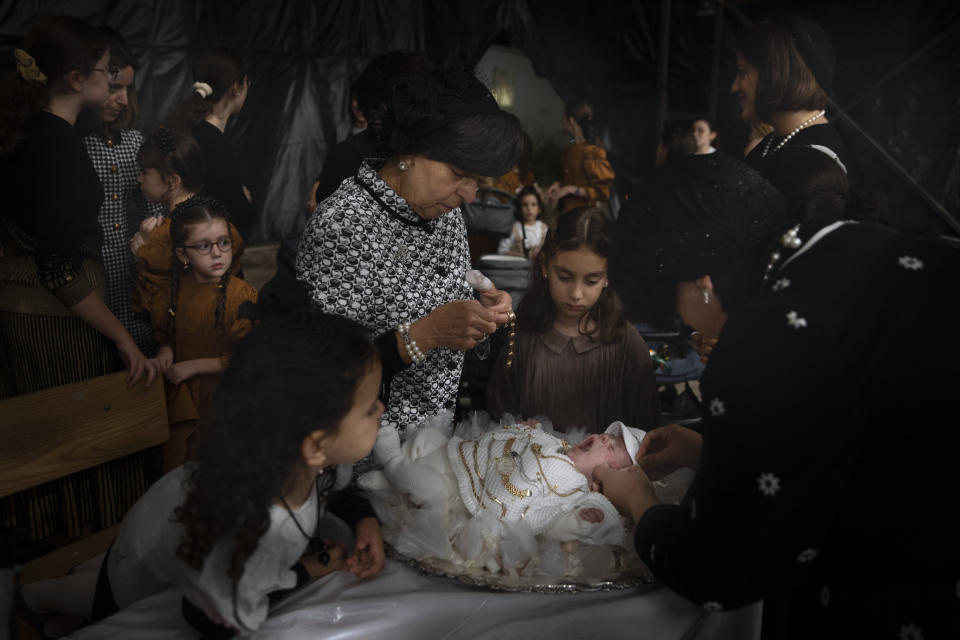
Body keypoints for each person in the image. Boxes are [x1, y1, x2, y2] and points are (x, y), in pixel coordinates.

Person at [601, 152, 960, 638]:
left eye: (675, 308)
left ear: (702, 281)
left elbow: (720, 568)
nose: (685, 325)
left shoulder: (764, 334)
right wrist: (713, 451)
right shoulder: (844, 239)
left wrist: (640, 502)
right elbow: (855, 417)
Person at [22, 312, 387, 636]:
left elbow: (331, 491)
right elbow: (204, 617)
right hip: (145, 556)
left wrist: (363, 520)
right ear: (316, 445)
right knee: (109, 602)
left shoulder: (293, 459)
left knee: (97, 583)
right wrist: (313, 567)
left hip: (173, 532)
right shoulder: (253, 530)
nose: (382, 409)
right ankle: (29, 597)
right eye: (370, 408)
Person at [296, 69, 524, 433]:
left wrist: (478, 316)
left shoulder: (445, 215)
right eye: (458, 173)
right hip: (365, 453)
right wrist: (426, 333)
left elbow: (444, 313)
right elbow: (325, 372)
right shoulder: (344, 224)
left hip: (431, 443)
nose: (469, 195)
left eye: (477, 181)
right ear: (408, 150)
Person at [0, 15, 155, 543]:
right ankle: (67, 560)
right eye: (107, 72)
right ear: (74, 79)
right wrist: (122, 338)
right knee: (68, 444)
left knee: (43, 447)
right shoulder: (57, 147)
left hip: (31, 317)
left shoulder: (31, 131)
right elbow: (59, 267)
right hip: (53, 323)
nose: (113, 82)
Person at [360, 419, 647, 572]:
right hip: (467, 462)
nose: (605, 439)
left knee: (427, 486)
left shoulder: (573, 492)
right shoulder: (556, 445)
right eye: (608, 436)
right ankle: (391, 483)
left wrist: (585, 518)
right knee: (428, 440)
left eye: (612, 449)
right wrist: (525, 431)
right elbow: (509, 446)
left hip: (463, 499)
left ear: (600, 481)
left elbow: (554, 521)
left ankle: (392, 463)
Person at [486, 207, 660, 433]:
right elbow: (500, 413)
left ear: (609, 276)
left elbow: (646, 429)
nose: (576, 294)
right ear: (545, 266)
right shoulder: (522, 336)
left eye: (591, 281)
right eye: (565, 277)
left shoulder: (626, 343)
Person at [141, 201, 258, 471]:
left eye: (223, 243)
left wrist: (193, 367)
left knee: (219, 465)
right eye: (204, 246)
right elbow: (169, 335)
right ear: (183, 256)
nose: (217, 253)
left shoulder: (241, 296)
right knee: (182, 467)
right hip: (183, 394)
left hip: (225, 397)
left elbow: (249, 357)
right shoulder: (174, 291)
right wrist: (165, 353)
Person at [79, 27, 164, 357]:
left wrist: (153, 240)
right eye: (115, 88)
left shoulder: (134, 142)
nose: (123, 100)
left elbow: (152, 207)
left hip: (131, 265)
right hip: (89, 268)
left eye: (128, 89)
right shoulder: (74, 142)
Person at [733, 17, 850, 172]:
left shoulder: (815, 163)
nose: (734, 87)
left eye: (742, 73)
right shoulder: (772, 144)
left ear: (774, 75)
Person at [165, 48, 256, 240]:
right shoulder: (213, 142)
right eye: (247, 82)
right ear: (236, 88)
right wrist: (242, 197)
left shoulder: (179, 128)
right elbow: (243, 214)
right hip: (203, 247)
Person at [547, 99, 615, 213]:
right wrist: (559, 184)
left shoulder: (592, 152)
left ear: (571, 121)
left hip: (584, 215)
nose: (561, 121)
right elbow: (573, 179)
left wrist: (569, 189)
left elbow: (602, 192)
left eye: (563, 117)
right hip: (566, 211)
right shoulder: (570, 149)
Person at [498, 186, 547, 259]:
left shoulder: (543, 228)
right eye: (525, 205)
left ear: (539, 208)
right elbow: (502, 250)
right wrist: (519, 256)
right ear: (519, 208)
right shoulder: (514, 228)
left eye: (533, 204)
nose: (529, 208)